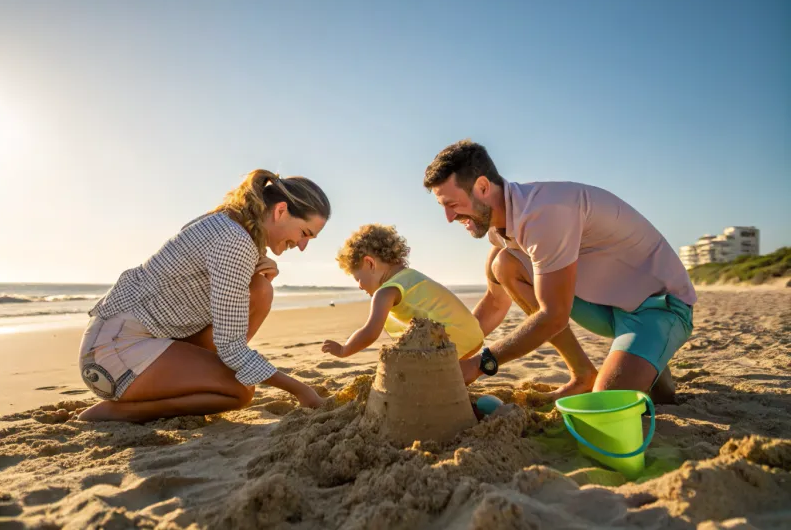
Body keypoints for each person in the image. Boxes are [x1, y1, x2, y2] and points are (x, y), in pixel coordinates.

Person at [423, 140, 696, 403]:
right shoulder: (499, 227)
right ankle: (585, 374)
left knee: (607, 406)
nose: (448, 218)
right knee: (503, 265)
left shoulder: (544, 215)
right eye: (442, 206)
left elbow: (553, 316)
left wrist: (482, 364)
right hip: (608, 307)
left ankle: (650, 355)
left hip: (658, 308)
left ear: (482, 186)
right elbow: (495, 303)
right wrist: (450, 355)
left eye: (452, 204)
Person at [78, 170, 331, 422]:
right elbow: (231, 347)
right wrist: (301, 390)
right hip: (113, 356)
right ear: (280, 211)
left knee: (260, 290)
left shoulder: (230, 227)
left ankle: (203, 375)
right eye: (305, 233)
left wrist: (259, 275)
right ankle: (116, 412)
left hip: (130, 343)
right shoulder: (234, 240)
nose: (302, 245)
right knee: (239, 392)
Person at [322, 224, 485, 360]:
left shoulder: (385, 292)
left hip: (452, 341)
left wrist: (344, 350)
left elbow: (370, 332)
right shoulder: (411, 277)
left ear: (370, 264)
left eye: (357, 278)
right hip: (473, 334)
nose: (359, 286)